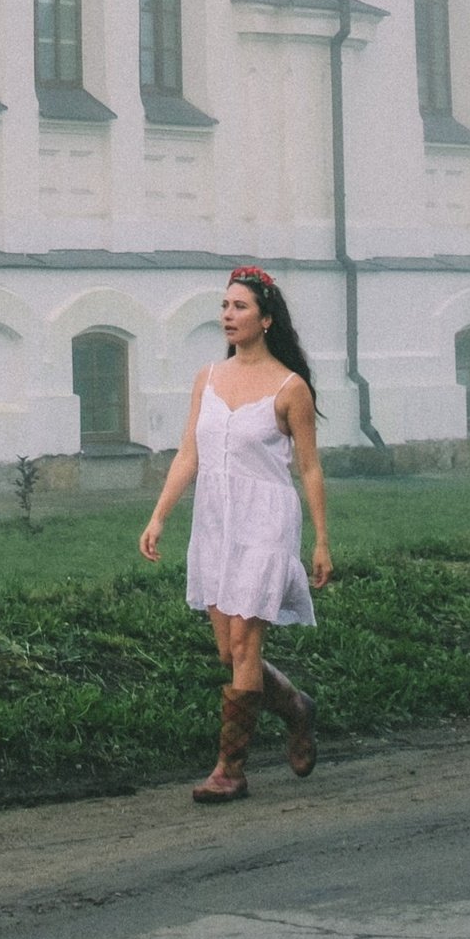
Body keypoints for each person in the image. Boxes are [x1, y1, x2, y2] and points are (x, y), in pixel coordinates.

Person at [138, 264, 333, 800]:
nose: (228, 315)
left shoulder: (291, 389)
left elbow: (309, 468)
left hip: (266, 522)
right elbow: (188, 453)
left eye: (240, 307)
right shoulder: (208, 378)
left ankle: (230, 769)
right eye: (225, 306)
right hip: (216, 523)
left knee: (247, 642)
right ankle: (295, 705)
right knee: (229, 653)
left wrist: (320, 541)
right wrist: (159, 516)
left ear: (266, 319)